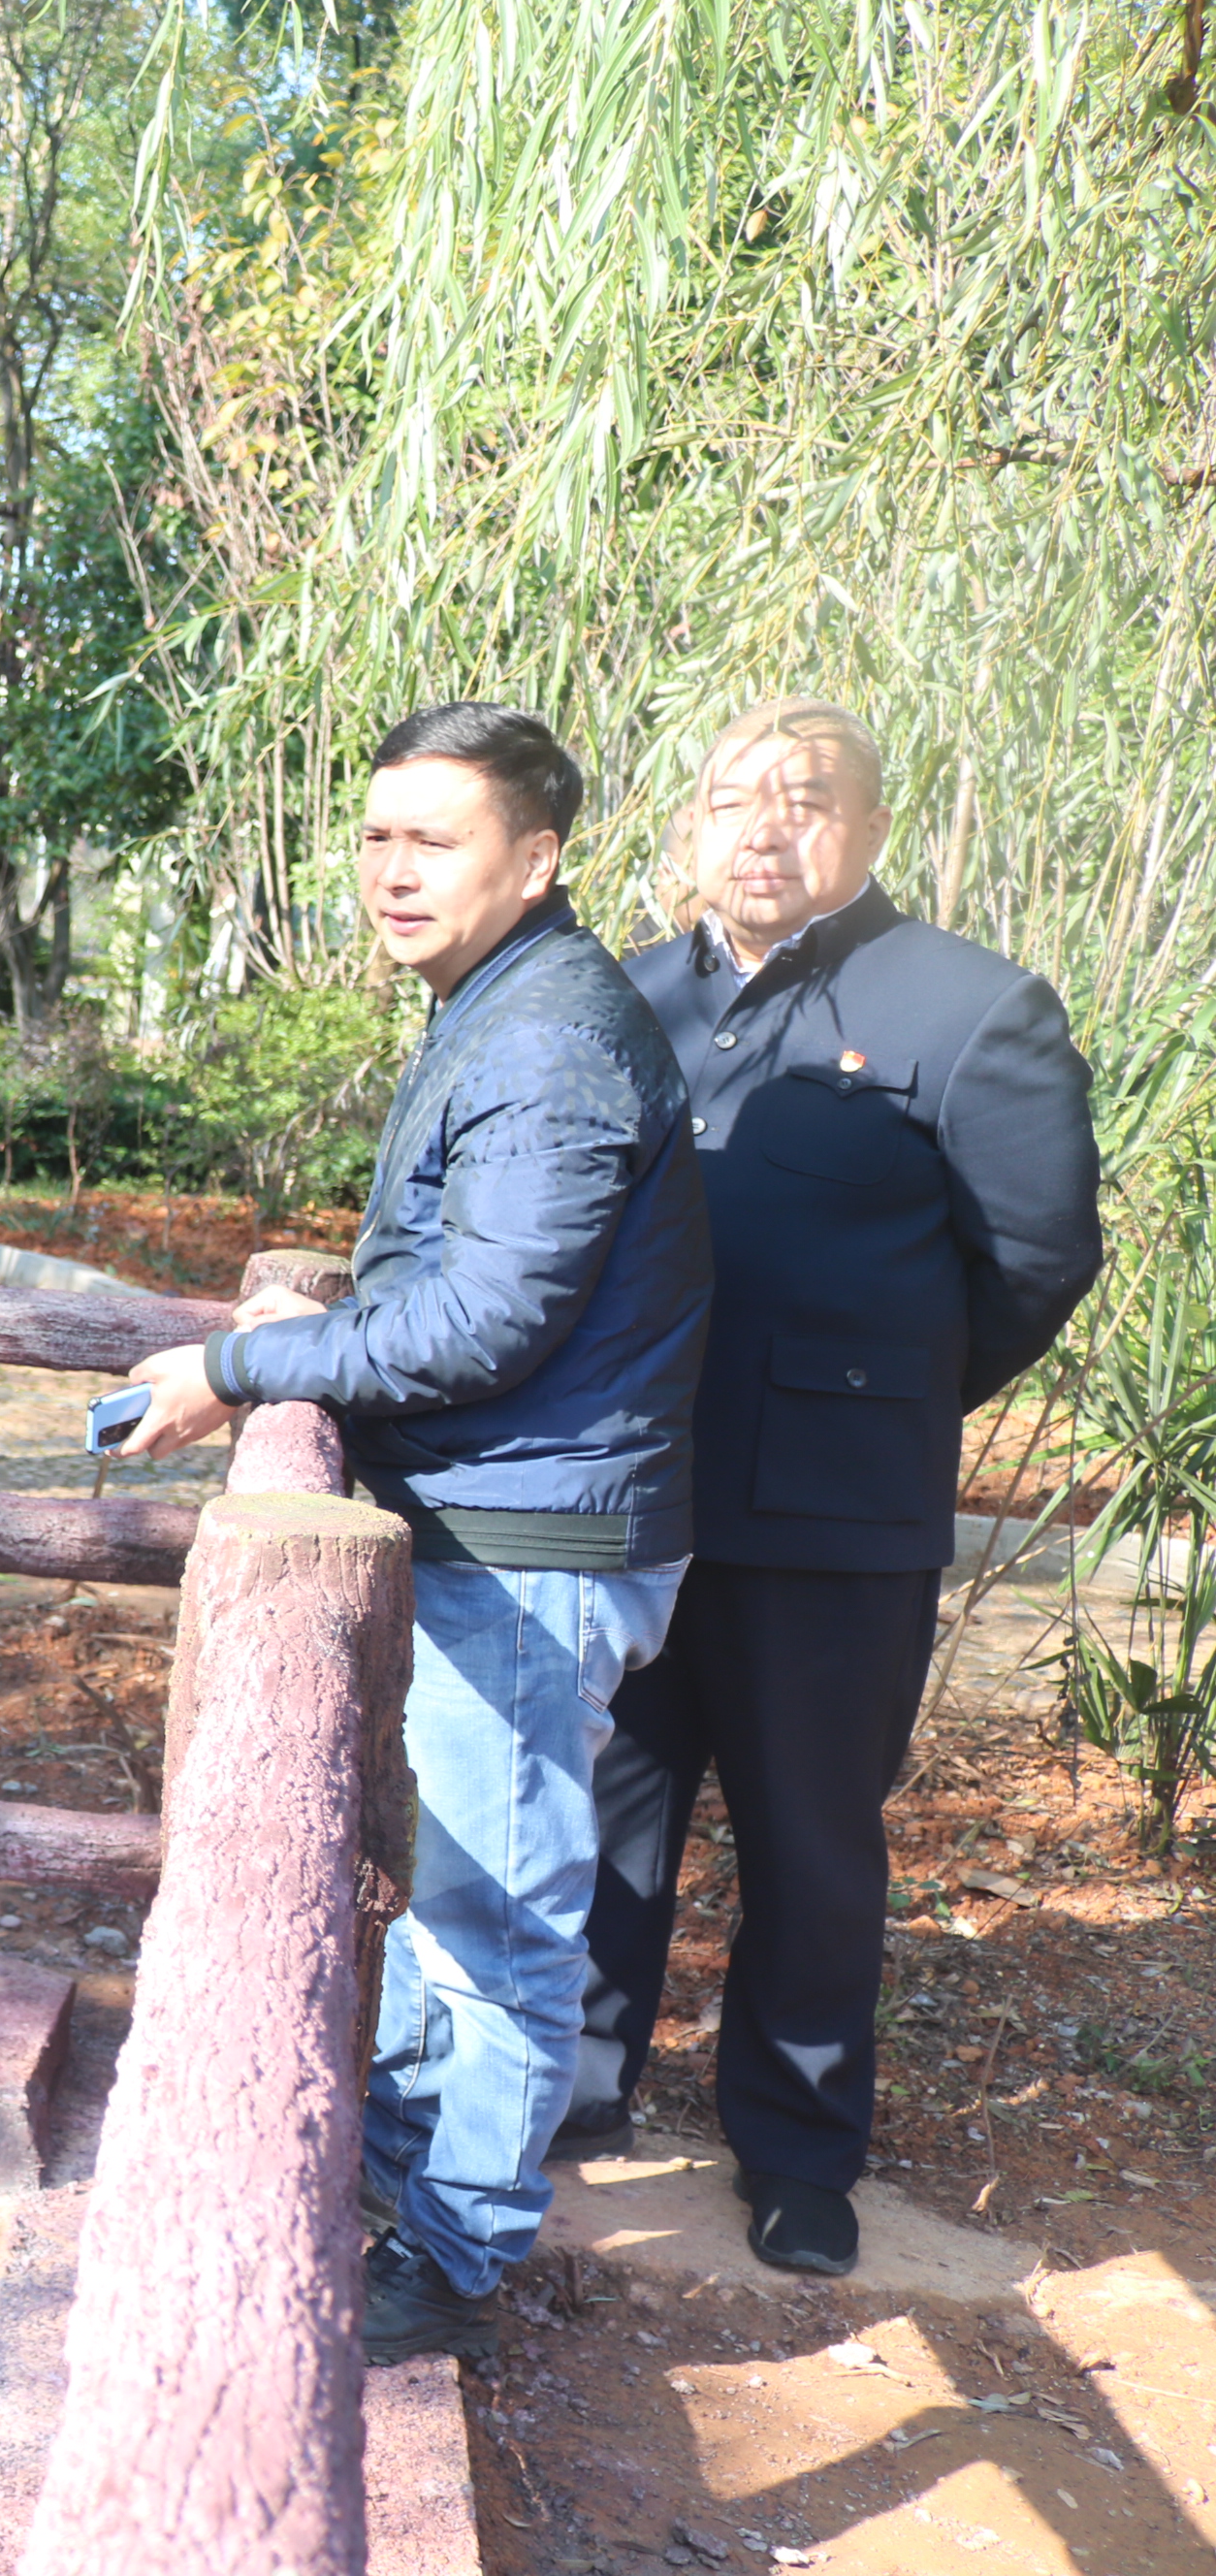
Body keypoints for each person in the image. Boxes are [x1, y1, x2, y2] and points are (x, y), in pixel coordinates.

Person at [116, 702, 712, 2365]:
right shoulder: (497, 1001)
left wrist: (238, 1368)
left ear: (531, 858)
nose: (388, 869)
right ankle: (401, 2172)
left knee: (497, 1914)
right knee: (455, 1890)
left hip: (534, 1539)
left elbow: (479, 1320)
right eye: (376, 836)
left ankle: (448, 2258)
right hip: (506, 1511)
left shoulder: (543, 1038)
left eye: (429, 840)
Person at [562, 700, 1100, 2277]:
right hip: (630, 1490)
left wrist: (873, 1407)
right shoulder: (622, 996)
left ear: (864, 829)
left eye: (798, 801)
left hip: (830, 1514)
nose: (756, 827)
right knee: (606, 1812)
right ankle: (582, 2088)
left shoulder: (961, 1006)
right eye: (729, 798)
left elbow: (1032, 1259)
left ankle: (795, 2151)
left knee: (807, 1840)